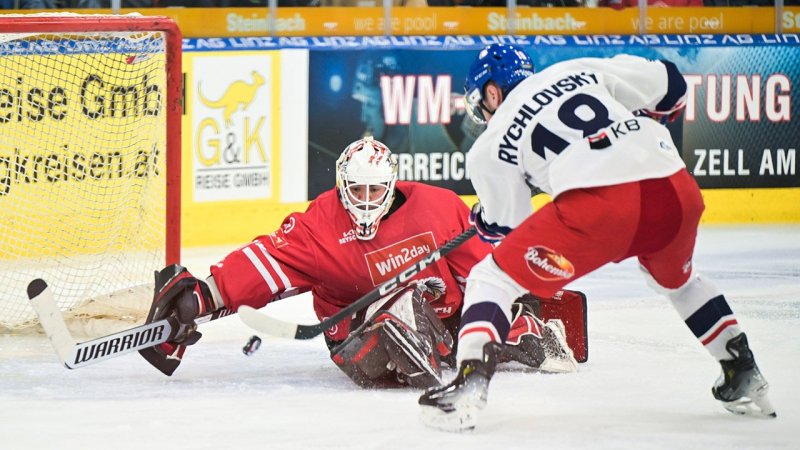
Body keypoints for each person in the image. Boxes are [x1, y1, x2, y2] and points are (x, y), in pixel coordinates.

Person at [418, 44, 776, 431]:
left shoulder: (490, 145)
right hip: (675, 189)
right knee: (678, 281)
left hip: (601, 210)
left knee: (492, 278)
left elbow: (511, 227)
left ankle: (469, 384)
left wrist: (485, 220)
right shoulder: (576, 68)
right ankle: (744, 371)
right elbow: (671, 83)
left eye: (482, 103)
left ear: (491, 92)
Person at [138, 136, 587, 389]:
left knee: (493, 321)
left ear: (391, 187)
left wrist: (514, 299)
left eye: (375, 190)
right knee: (399, 311)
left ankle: (523, 332)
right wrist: (205, 296)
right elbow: (266, 263)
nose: (366, 200)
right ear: (342, 185)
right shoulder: (318, 227)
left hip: (445, 324)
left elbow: (481, 271)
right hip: (356, 341)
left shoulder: (439, 207)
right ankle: (416, 340)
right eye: (357, 190)